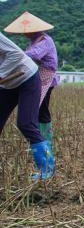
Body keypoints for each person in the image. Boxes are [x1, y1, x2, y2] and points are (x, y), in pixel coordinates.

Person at [0, 31, 55, 180]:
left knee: (26, 123)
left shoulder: (45, 40)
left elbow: (15, 54)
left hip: (27, 77)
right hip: (7, 85)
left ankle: (47, 170)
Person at [5, 11, 59, 148]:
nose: (24, 33)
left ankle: (44, 141)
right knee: (39, 109)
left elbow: (33, 55)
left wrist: (17, 55)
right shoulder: (34, 40)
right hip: (35, 75)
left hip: (45, 76)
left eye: (26, 31)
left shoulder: (44, 40)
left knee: (40, 110)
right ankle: (41, 141)